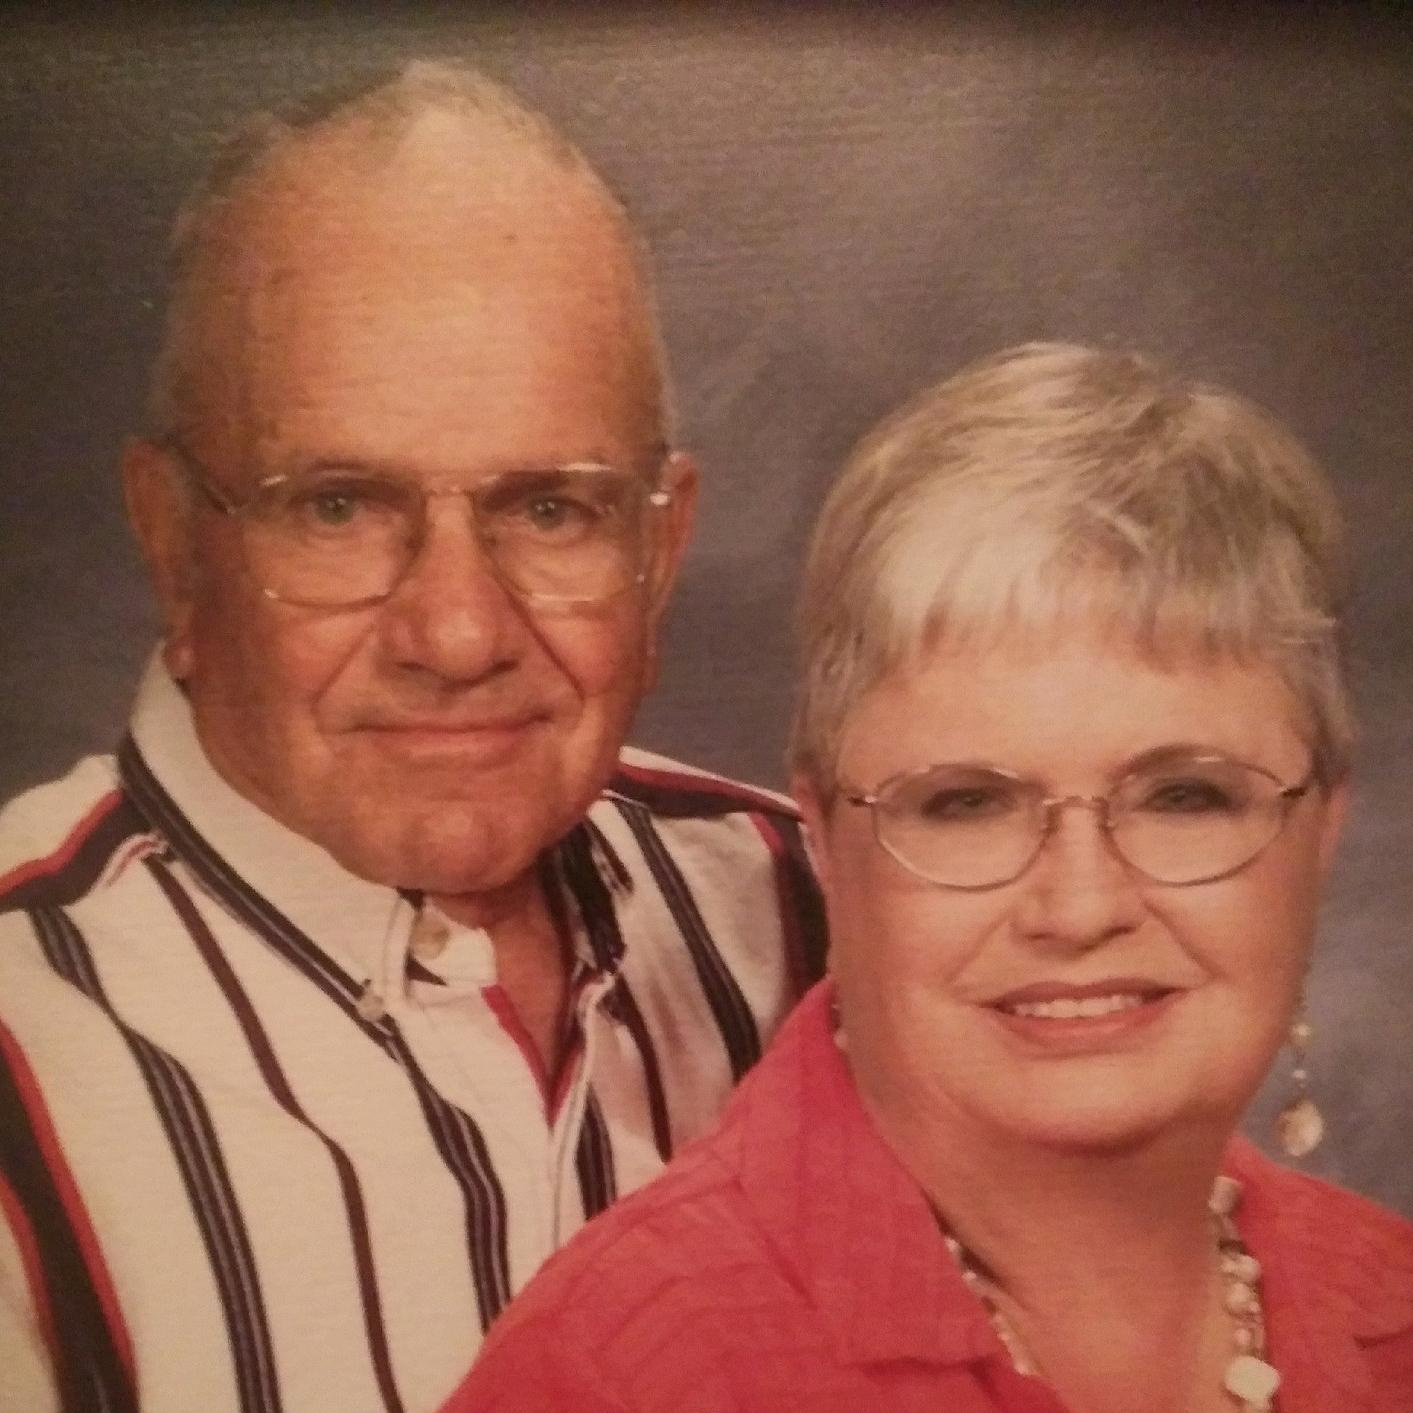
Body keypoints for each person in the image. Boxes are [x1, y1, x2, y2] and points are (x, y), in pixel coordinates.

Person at [0, 62, 824, 1413]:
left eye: (550, 510)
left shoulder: (821, 922)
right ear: (174, 545)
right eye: (337, 507)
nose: (456, 632)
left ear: (659, 551)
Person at [449, 342, 1413, 1412]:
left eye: (1184, 796)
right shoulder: (624, 1373)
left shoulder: (1395, 1311)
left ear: (1320, 832)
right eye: (967, 804)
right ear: (825, 840)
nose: (1080, 906)